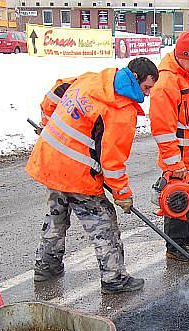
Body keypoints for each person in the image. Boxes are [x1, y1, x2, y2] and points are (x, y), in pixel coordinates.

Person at [27, 57, 159, 293]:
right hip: (77, 174)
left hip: (50, 161)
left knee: (56, 215)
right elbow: (113, 162)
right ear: (135, 79)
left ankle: (46, 266)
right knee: (103, 223)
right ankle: (114, 278)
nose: (147, 95)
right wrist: (122, 195)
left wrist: (47, 122)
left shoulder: (93, 80)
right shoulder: (121, 112)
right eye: (147, 88)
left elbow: (55, 93)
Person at [149, 32, 189, 261]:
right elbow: (163, 130)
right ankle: (176, 247)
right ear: (179, 55)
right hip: (179, 159)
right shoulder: (167, 83)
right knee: (178, 203)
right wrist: (174, 164)